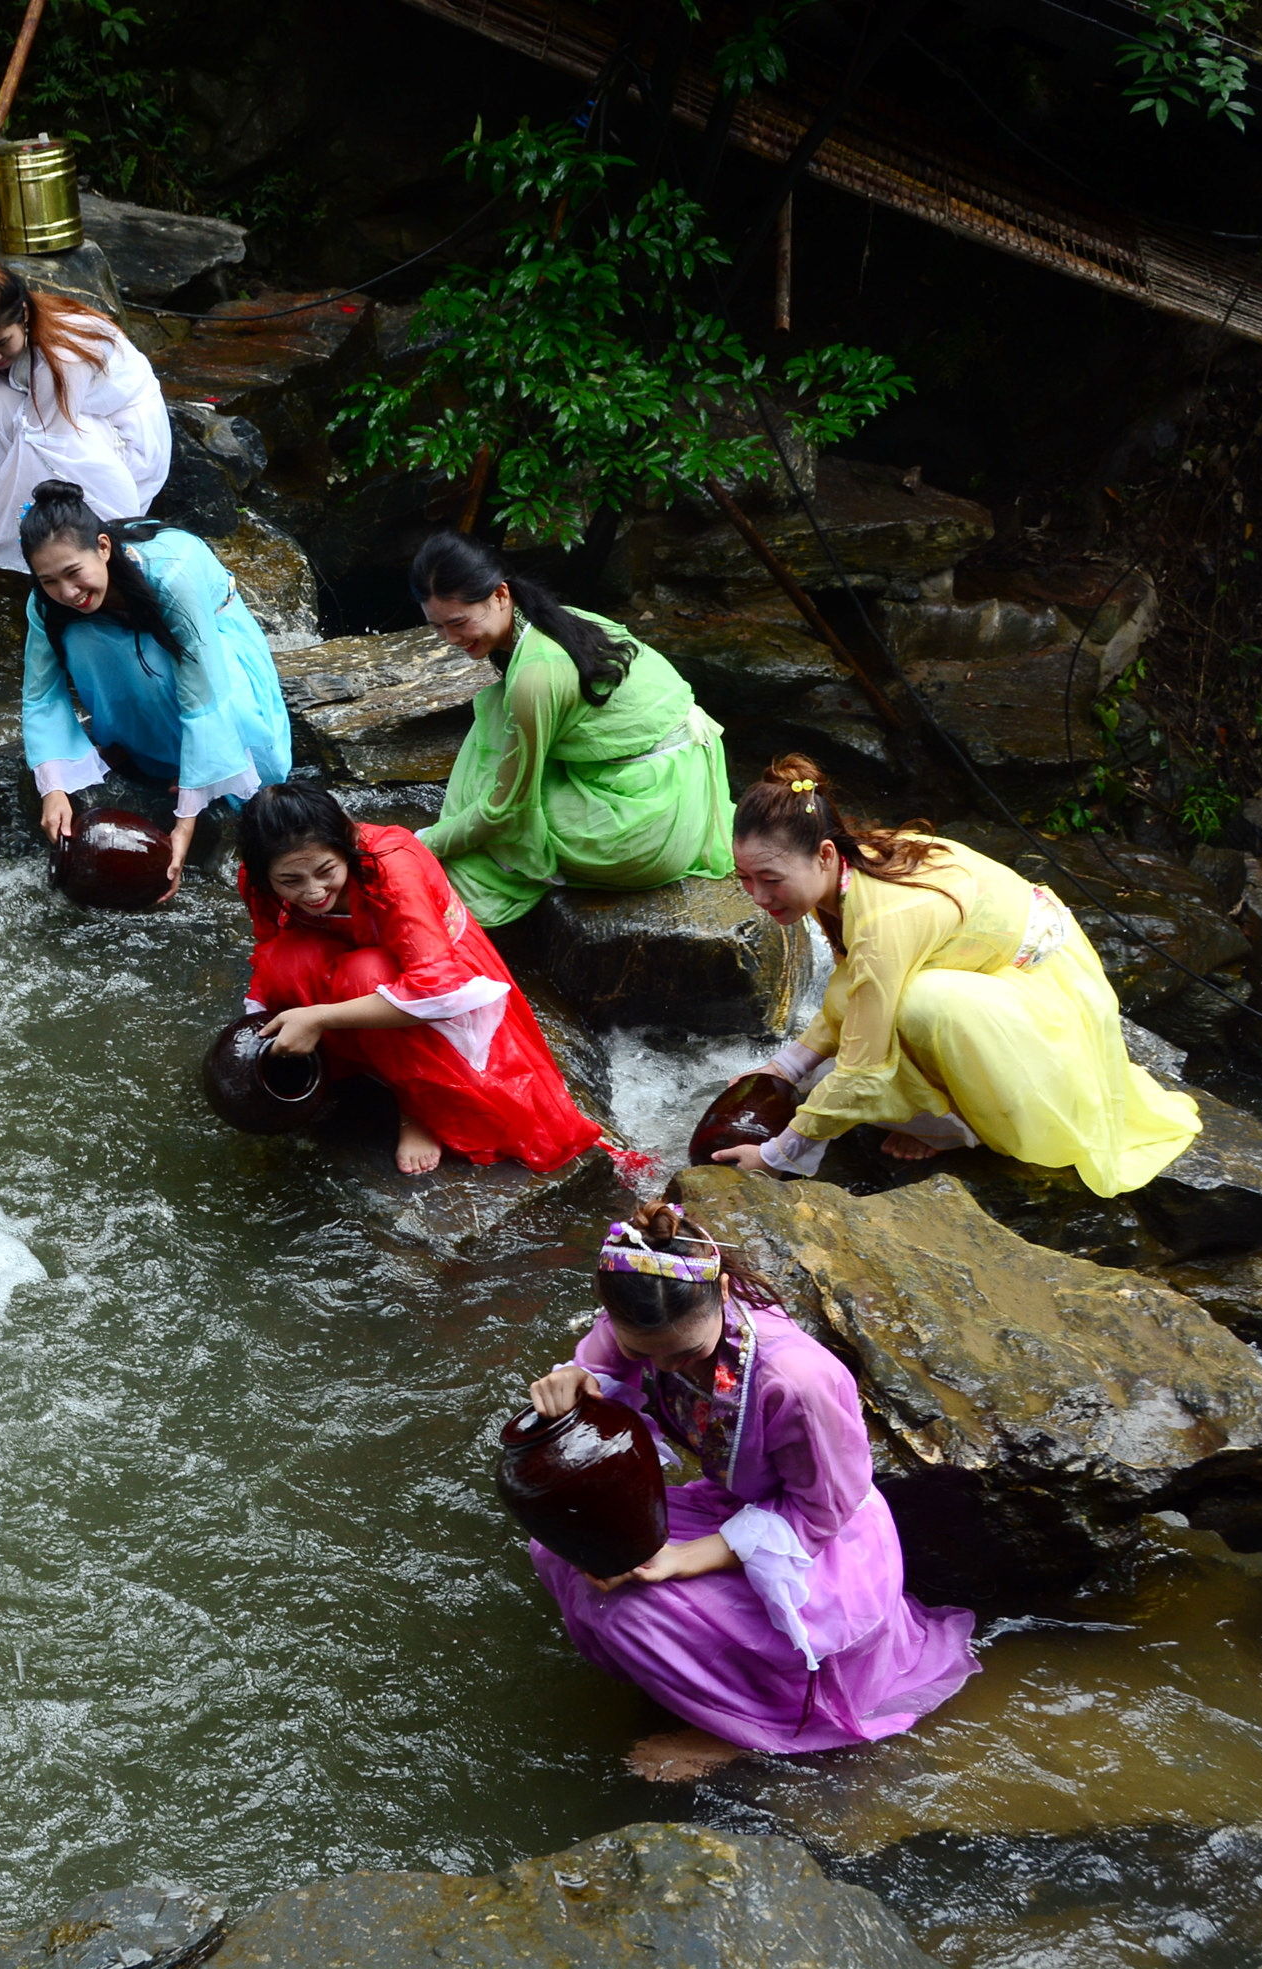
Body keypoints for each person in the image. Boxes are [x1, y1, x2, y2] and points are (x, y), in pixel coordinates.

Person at [523, 1201, 979, 1779]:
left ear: (719, 1295)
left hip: (820, 1543)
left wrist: (681, 1560)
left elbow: (822, 1511)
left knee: (632, 1609)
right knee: (566, 1546)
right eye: (643, 1353)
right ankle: (704, 1685)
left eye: (686, 1355)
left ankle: (752, 1724)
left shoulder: (795, 1383)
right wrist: (579, 1380)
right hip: (739, 1505)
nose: (665, 1366)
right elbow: (607, 1362)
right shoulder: (651, 1313)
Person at [707, 755, 1201, 1191]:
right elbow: (854, 986)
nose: (758, 896)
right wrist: (784, 1070)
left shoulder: (886, 917)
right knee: (885, 1002)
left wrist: (775, 1157)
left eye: (770, 880)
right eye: (745, 878)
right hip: (987, 975)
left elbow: (862, 1065)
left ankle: (965, 1122)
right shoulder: (844, 872)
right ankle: (943, 1099)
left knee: (918, 1005)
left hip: (1045, 997)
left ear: (825, 855)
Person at [240, 781, 606, 1176]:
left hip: (430, 974)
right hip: (351, 962)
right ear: (266, 874)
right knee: (283, 961)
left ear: (345, 844)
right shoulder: (260, 879)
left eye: (326, 871)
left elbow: (435, 988)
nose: (312, 892)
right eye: (290, 882)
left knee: (365, 974)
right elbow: (271, 943)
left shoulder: (391, 864)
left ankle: (416, 1107)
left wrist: (319, 1017)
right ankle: (348, 1059)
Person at [409, 532, 733, 930]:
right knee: (495, 713)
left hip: (649, 830)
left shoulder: (535, 676)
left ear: (499, 595)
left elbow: (504, 809)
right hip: (690, 787)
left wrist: (424, 843)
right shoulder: (565, 619)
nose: (451, 640)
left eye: (458, 622)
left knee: (491, 782)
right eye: (437, 627)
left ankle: (459, 893)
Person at [17, 479, 292, 898]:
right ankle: (141, 745)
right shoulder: (45, 603)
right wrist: (53, 788)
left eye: (74, 573)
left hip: (214, 645)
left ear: (103, 548)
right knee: (83, 638)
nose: (67, 593)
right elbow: (41, 693)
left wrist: (186, 822)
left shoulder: (171, 571)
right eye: (50, 581)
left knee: (260, 776)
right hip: (126, 649)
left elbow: (202, 688)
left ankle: (196, 767)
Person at [0, 242, 169, 597]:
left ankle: (22, 532)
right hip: (59, 425)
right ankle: (3, 521)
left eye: (1, 344)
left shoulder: (62, 354)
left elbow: (36, 448)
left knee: (4, 412)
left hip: (120, 439)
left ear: (23, 314)